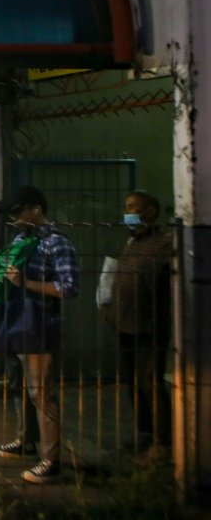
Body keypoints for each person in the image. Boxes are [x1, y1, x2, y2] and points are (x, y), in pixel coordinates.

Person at [0, 186, 79, 485]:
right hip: (15, 320)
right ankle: (25, 441)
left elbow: (68, 287)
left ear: (36, 209)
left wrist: (26, 282)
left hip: (40, 323)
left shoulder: (57, 243)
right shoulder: (20, 239)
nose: (13, 218)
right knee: (21, 386)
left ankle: (51, 460)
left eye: (17, 212)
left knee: (42, 392)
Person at [103, 190, 172, 460]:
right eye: (126, 206)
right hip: (124, 323)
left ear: (150, 211)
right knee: (131, 381)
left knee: (150, 383)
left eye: (133, 206)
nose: (127, 211)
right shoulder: (132, 242)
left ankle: (163, 442)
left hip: (148, 326)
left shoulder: (164, 243)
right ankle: (144, 434)